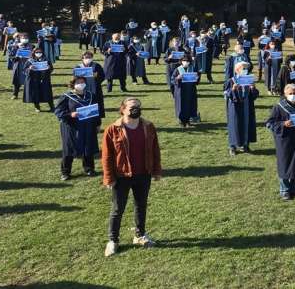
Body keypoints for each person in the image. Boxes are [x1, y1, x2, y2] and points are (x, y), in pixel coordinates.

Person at [102, 97, 162, 257]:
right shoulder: (112, 129)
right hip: (121, 175)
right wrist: (108, 177)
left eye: (138, 107)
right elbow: (107, 156)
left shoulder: (148, 127)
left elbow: (155, 149)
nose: (136, 109)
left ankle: (140, 235)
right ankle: (113, 241)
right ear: (123, 109)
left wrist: (156, 170)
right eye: (132, 107)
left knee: (141, 206)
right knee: (117, 209)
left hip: (144, 174)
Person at [265, 84, 295, 200]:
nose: (293, 96)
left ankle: (294, 189)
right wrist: (283, 124)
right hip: (285, 141)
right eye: (290, 94)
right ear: (285, 94)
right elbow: (269, 123)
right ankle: (285, 190)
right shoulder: (279, 107)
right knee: (285, 165)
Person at [54, 77, 101, 180]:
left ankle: (89, 168)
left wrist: (98, 124)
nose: (81, 84)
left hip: (88, 125)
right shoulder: (66, 97)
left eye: (83, 82)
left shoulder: (91, 95)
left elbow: (97, 111)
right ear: (73, 84)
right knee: (69, 148)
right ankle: (65, 172)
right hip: (72, 127)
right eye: (78, 82)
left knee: (88, 146)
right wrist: (70, 114)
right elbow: (58, 112)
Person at [224, 61, 260, 156]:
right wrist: (233, 89)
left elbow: (255, 95)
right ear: (237, 70)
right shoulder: (231, 81)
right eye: (242, 68)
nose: (245, 70)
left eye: (246, 68)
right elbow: (226, 94)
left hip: (247, 105)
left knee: (247, 124)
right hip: (235, 107)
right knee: (235, 125)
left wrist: (253, 88)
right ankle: (233, 146)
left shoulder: (249, 80)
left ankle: (245, 144)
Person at [172, 55, 200, 128]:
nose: (186, 62)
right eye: (184, 61)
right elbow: (172, 80)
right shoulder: (178, 69)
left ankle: (187, 121)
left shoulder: (192, 68)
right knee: (181, 105)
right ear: (181, 61)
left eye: (187, 61)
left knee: (190, 105)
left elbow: (196, 81)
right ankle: (181, 121)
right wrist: (178, 78)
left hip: (190, 91)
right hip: (180, 91)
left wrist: (197, 78)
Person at [24, 48, 54, 112]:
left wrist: (49, 68)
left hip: (44, 79)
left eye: (40, 52)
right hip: (34, 80)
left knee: (47, 93)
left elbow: (51, 69)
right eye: (37, 52)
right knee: (35, 94)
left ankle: (52, 107)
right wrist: (29, 68)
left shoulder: (46, 60)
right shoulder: (30, 60)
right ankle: (37, 107)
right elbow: (24, 70)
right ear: (34, 53)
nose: (38, 54)